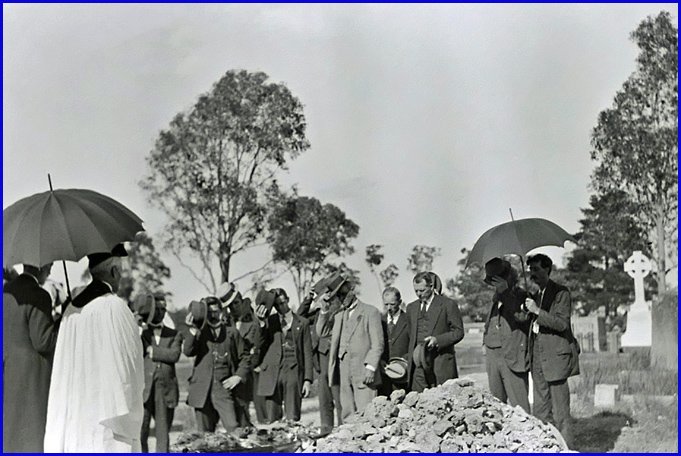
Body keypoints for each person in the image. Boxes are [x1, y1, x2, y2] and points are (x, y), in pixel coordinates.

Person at [44, 244, 145, 452]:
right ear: (115, 272)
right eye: (121, 271)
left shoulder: (71, 310)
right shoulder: (114, 307)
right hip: (106, 419)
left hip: (77, 415)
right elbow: (129, 367)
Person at [525, 253, 580, 447]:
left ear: (548, 270)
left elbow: (561, 324)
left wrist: (537, 311)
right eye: (530, 270)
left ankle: (567, 449)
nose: (532, 274)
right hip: (537, 358)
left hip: (555, 358)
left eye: (537, 270)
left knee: (560, 412)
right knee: (540, 410)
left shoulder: (560, 293)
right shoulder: (534, 295)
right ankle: (546, 447)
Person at [4, 263, 58, 452]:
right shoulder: (40, 295)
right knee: (33, 437)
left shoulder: (6, 291)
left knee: (9, 433)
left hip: (8, 372)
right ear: (41, 267)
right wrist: (61, 323)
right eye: (50, 266)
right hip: (32, 380)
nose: (50, 271)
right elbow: (43, 341)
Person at [184, 296, 252, 432]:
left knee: (234, 427)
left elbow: (245, 357)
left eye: (215, 311)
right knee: (204, 435)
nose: (213, 315)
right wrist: (193, 330)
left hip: (224, 389)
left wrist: (238, 376)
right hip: (202, 390)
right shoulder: (199, 332)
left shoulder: (232, 332)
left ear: (221, 312)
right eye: (209, 312)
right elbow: (188, 351)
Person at [328, 274, 384, 420]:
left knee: (367, 413)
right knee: (347, 413)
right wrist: (323, 309)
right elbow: (322, 332)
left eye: (343, 294)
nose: (341, 298)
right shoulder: (338, 316)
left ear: (351, 290)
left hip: (363, 371)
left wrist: (371, 367)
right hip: (344, 371)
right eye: (338, 296)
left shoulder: (370, 312)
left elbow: (378, 343)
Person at [255, 288, 313, 422]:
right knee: (272, 417)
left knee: (293, 417)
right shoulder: (268, 322)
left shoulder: (302, 322)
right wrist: (262, 323)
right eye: (277, 305)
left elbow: (307, 353)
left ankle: (293, 440)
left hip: (293, 370)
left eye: (283, 303)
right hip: (272, 373)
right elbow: (258, 343)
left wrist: (307, 380)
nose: (281, 307)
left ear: (287, 300)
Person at [482, 258, 531, 413]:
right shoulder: (494, 299)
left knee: (519, 404)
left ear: (508, 278)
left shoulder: (521, 295)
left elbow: (522, 317)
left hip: (512, 354)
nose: (493, 285)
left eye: (497, 281)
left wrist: (505, 293)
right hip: (493, 353)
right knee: (497, 403)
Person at [135, 292, 183, 453]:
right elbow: (134, 352)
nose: (161, 312)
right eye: (158, 309)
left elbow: (174, 355)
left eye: (164, 309)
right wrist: (138, 329)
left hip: (165, 390)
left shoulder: (174, 334)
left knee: (163, 435)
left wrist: (152, 350)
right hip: (143, 390)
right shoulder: (140, 332)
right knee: (140, 432)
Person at [297, 276, 345, 433]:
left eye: (324, 293)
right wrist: (308, 300)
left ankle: (343, 427)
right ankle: (327, 427)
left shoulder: (339, 308)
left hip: (333, 355)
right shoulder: (319, 310)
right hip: (319, 356)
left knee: (337, 394)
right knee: (324, 395)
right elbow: (300, 318)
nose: (323, 297)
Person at [406, 271, 464, 392]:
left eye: (422, 290)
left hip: (441, 363)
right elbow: (410, 336)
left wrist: (438, 340)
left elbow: (458, 332)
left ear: (431, 286)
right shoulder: (411, 308)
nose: (418, 294)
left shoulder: (448, 304)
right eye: (416, 291)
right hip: (418, 366)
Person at [217, 282, 262, 427]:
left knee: (249, 415)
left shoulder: (254, 320)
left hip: (249, 372)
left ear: (241, 300)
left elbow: (253, 346)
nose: (234, 308)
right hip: (231, 373)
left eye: (236, 303)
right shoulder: (226, 322)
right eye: (230, 306)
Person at [379, 286, 411, 396]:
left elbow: (413, 345)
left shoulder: (409, 320)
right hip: (383, 375)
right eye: (386, 304)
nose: (389, 308)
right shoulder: (379, 321)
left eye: (392, 304)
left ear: (400, 302)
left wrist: (404, 362)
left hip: (402, 374)